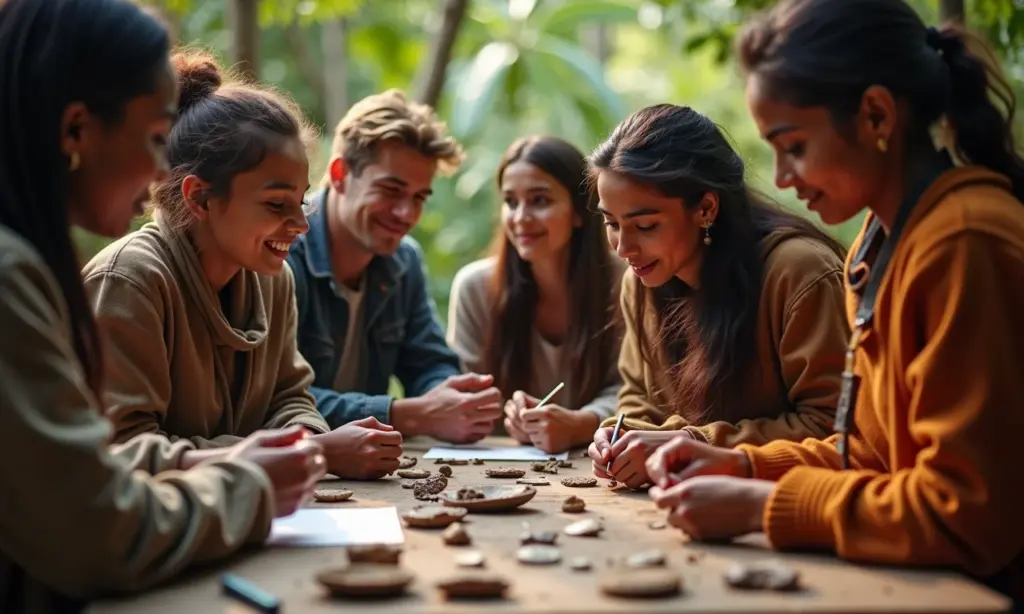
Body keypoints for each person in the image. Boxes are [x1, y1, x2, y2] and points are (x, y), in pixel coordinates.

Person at [644, 0, 1024, 605]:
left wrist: (763, 505)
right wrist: (740, 463)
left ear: (876, 114)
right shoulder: (877, 247)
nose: (782, 177)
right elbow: (870, 453)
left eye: (792, 146)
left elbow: (965, 514)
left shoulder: (964, 242)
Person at [0, 0, 326, 610]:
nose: (160, 170)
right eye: (154, 139)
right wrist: (248, 482)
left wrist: (279, 449)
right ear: (75, 131)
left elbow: (88, 469)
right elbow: (95, 532)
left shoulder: (32, 266)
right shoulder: (20, 277)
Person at [82, 52, 402, 480]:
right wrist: (315, 451)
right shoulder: (130, 281)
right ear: (199, 198)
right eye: (276, 204)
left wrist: (304, 439)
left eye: (301, 200)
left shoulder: (272, 280)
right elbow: (120, 452)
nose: (301, 224)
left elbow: (288, 396)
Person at [588, 103, 850, 489]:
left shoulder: (799, 272)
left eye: (645, 225)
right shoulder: (642, 278)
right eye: (611, 223)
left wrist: (697, 442)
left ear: (706, 208)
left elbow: (834, 427)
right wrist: (618, 438)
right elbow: (639, 400)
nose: (624, 248)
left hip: (791, 500)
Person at [287, 89, 503, 444]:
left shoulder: (405, 260)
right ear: (340, 173)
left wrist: (451, 395)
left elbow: (428, 361)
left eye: (419, 197)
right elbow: (276, 401)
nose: (407, 214)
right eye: (390, 190)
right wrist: (408, 413)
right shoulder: (280, 251)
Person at [446, 136, 625, 454]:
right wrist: (513, 415)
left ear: (579, 211)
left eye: (540, 200)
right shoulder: (475, 288)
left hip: (604, 459)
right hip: (503, 467)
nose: (520, 218)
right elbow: (468, 397)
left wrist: (581, 423)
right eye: (510, 201)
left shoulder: (626, 281)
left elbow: (636, 390)